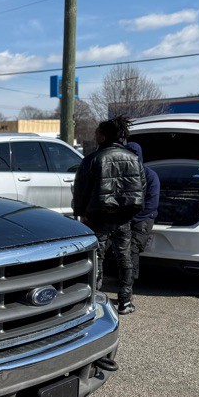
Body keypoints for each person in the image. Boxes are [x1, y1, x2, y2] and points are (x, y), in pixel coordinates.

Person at [72, 116, 145, 315]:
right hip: (124, 217)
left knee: (97, 257)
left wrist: (80, 213)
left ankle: (95, 299)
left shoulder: (93, 159)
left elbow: (81, 191)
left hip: (98, 216)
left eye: (97, 132)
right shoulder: (133, 159)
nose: (94, 135)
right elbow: (142, 188)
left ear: (103, 136)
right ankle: (125, 301)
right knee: (125, 257)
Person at [125, 141, 160, 290]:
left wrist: (133, 219)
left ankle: (129, 286)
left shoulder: (150, 176)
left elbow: (152, 204)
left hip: (143, 218)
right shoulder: (123, 175)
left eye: (134, 155)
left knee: (132, 248)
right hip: (126, 217)